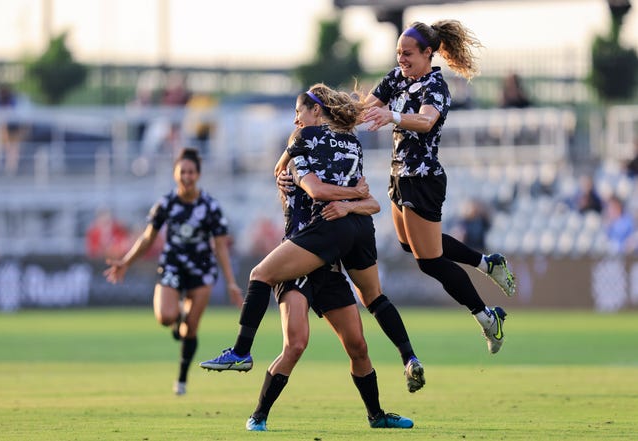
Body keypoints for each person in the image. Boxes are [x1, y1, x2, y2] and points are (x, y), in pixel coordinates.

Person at [200, 84, 425, 397]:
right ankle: (407, 359)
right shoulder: (351, 144)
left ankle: (241, 352)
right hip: (338, 238)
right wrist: (350, 197)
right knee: (361, 317)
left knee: (264, 283)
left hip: (312, 241)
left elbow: (315, 189)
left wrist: (284, 171)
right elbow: (368, 201)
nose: (295, 120)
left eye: (298, 112)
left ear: (315, 110)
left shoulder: (303, 139)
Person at [362, 20, 516, 354]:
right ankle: (488, 264)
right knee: (410, 247)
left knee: (428, 261)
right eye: (398, 53)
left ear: (428, 53)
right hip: (399, 175)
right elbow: (367, 108)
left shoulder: (435, 86)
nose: (401, 59)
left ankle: (487, 316)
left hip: (423, 179)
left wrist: (393, 117)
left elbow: (426, 120)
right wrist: (337, 113)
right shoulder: (396, 78)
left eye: (408, 53)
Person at [103, 147, 243, 395]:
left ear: (198, 175)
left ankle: (181, 380)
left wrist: (231, 282)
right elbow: (147, 238)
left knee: (191, 329)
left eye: (191, 172)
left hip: (201, 269)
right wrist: (125, 261)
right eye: (182, 172)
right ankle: (176, 317)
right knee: (165, 317)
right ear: (175, 174)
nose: (186, 176)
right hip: (172, 265)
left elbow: (220, 246)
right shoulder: (166, 203)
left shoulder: (210, 206)